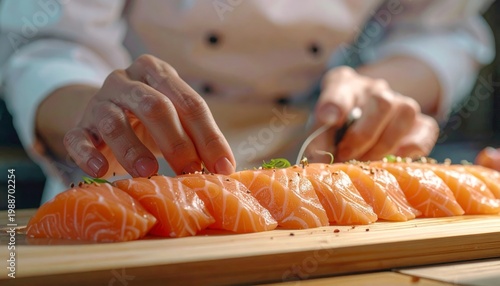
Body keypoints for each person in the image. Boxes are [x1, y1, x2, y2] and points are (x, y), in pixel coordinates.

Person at [0, 0, 495, 202]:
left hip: (321, 169)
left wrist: (377, 86)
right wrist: (95, 114)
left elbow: (438, 29)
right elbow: (48, 43)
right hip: (135, 173)